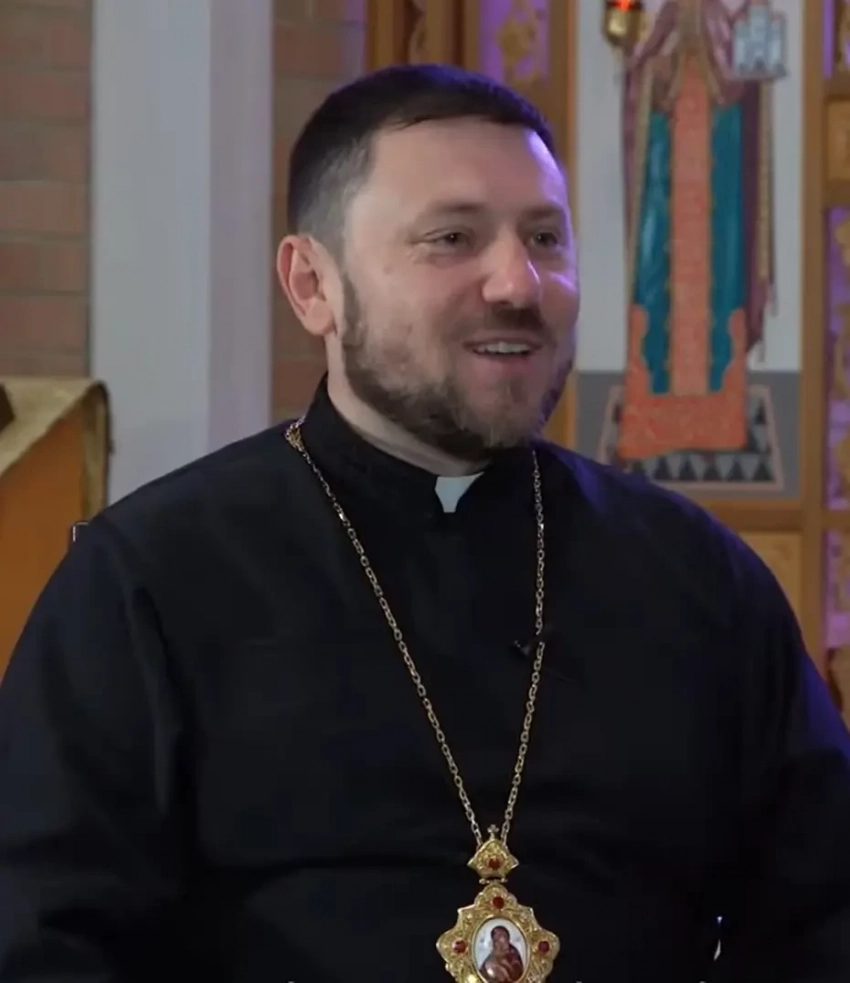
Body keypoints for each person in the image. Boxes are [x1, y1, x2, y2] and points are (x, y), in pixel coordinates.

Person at [0, 63, 848, 983]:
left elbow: (823, 919)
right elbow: (43, 939)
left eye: (545, 237)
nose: (518, 283)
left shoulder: (697, 577)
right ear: (312, 284)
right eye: (452, 238)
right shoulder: (148, 580)